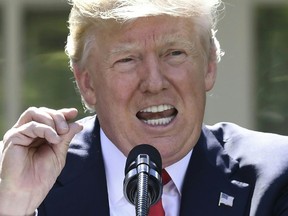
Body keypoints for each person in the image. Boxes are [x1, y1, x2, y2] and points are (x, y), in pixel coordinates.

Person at [1, 0, 288, 215]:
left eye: (174, 53)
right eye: (127, 59)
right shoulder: (27, 179)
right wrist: (15, 204)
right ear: (87, 83)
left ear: (209, 66)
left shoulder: (275, 177)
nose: (154, 82)